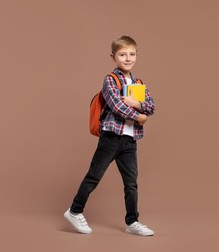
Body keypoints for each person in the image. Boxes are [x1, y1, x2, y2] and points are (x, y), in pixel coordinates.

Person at [64, 35, 156, 236]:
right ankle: (74, 211)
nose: (128, 58)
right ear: (113, 56)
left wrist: (137, 104)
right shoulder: (110, 80)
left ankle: (132, 222)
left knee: (131, 183)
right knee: (93, 177)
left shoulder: (138, 82)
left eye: (132, 54)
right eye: (122, 54)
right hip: (111, 138)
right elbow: (116, 106)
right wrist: (140, 117)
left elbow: (151, 106)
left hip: (130, 140)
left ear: (136, 56)